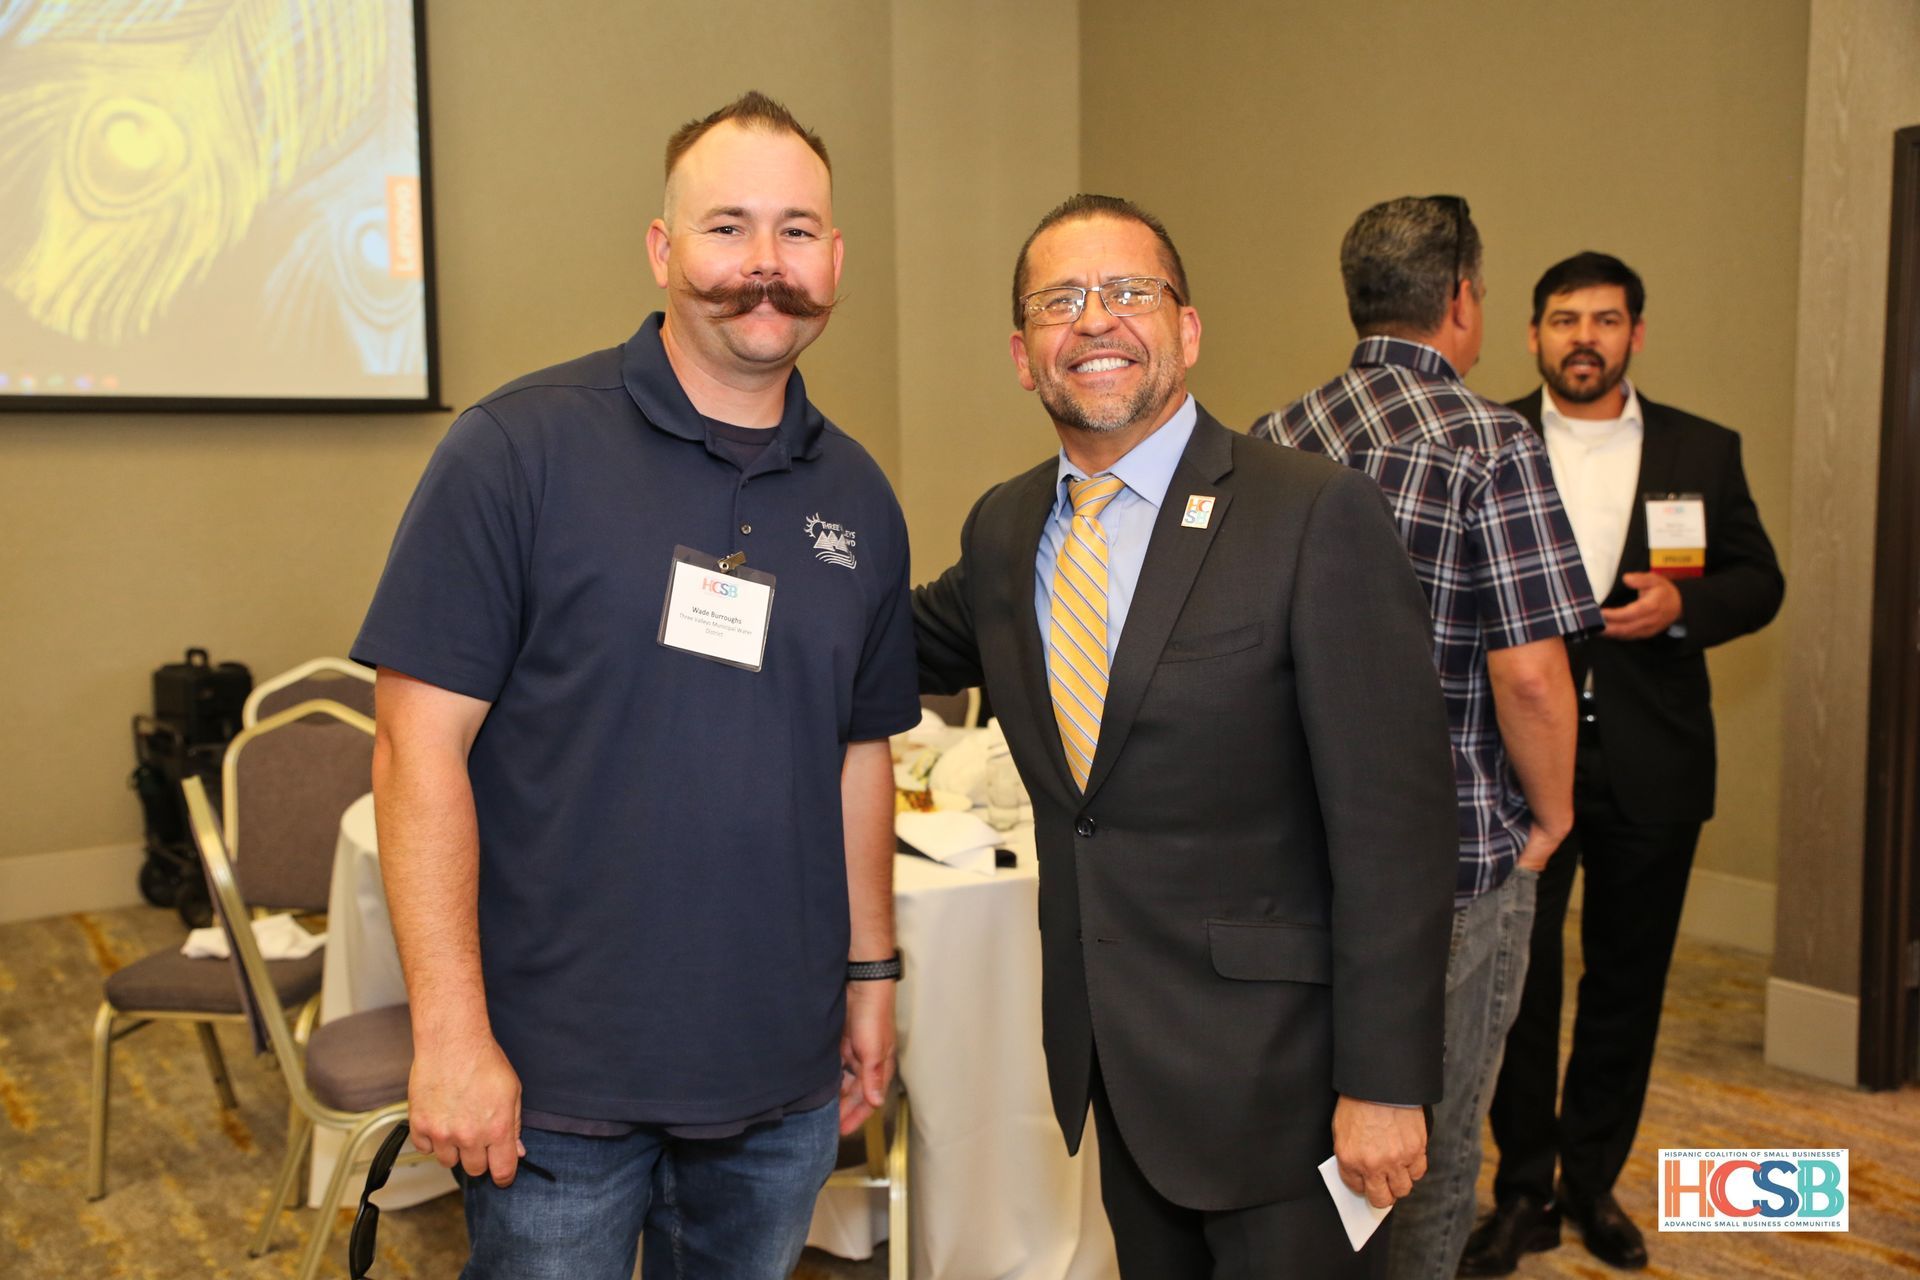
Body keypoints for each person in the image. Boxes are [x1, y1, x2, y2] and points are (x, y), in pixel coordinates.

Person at [351, 91, 920, 1280]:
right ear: (663, 250)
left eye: (798, 230)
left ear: (837, 260)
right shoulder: (517, 450)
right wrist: (451, 1032)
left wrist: (871, 976)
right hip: (557, 1083)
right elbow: (415, 747)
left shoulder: (861, 499)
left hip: (778, 1078)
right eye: (727, 228)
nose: (765, 265)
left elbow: (860, 753)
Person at [913, 193, 1460, 1278]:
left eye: (1128, 291)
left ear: (1188, 329)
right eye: (1058, 301)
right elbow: (871, 647)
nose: (1094, 320)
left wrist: (1386, 1080)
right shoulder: (1005, 525)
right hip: (1121, 1069)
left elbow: (1395, 825)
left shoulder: (1310, 514)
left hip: (1289, 1089)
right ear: (1024, 354)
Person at [1253, 196, 1601, 1280]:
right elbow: (1533, 678)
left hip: (1294, 864)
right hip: (1450, 874)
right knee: (1432, 1150)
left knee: (1314, 1134)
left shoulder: (1272, 438)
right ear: (1460, 299)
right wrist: (1552, 816)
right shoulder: (1493, 442)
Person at [1462, 253, 1785, 1275]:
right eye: (1564, 319)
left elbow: (1759, 579)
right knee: (1518, 983)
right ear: (1532, 335)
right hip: (1520, 761)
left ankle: (1589, 1180)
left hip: (1655, 758)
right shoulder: (1491, 439)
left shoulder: (1703, 447)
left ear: (1636, 332)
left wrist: (1684, 606)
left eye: (1605, 319)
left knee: (1627, 982)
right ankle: (1521, 1192)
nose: (1584, 337)